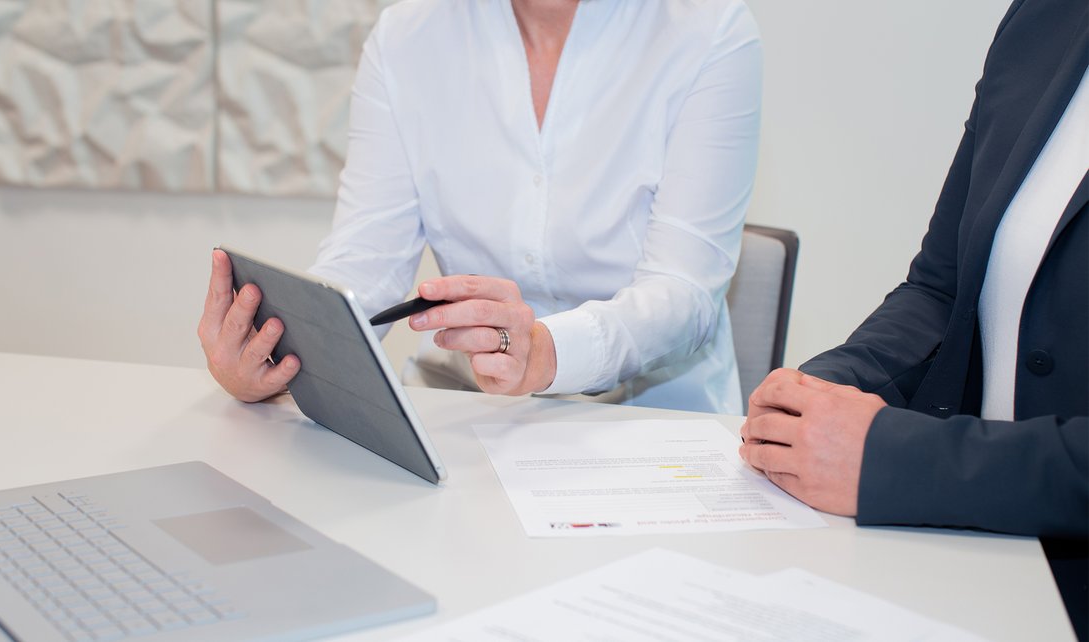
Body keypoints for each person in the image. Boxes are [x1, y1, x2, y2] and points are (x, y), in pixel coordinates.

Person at [199, 0, 763, 413]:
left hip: (652, 428)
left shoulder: (709, 30)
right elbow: (362, 265)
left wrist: (547, 352)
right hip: (467, 411)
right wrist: (274, 352)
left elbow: (684, 293)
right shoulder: (407, 36)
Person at [737, 0, 1086, 635]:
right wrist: (823, 390)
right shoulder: (1046, 18)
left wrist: (895, 459)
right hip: (980, 564)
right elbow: (943, 288)